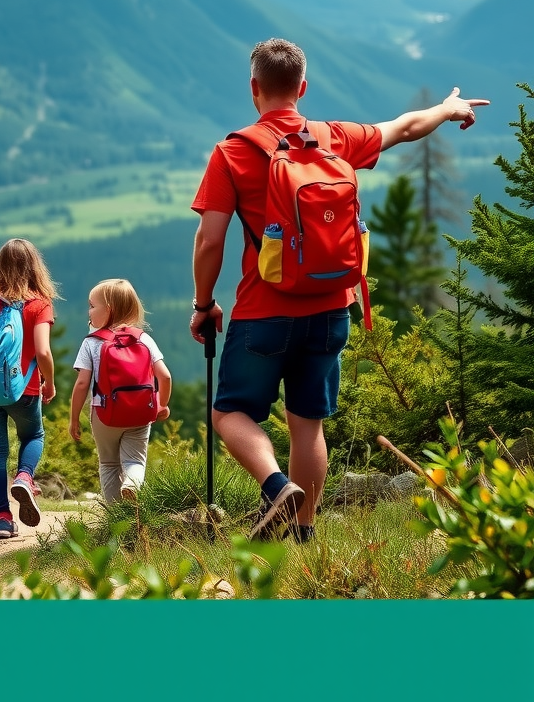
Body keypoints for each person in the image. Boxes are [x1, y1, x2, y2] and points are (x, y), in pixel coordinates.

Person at [189, 38, 489, 542]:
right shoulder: (333, 138)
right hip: (332, 307)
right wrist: (446, 108)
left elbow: (209, 240)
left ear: (254, 89)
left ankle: (276, 486)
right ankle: (304, 535)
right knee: (308, 423)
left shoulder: (233, 152)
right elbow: (403, 127)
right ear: (302, 88)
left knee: (230, 412)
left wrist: (203, 304)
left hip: (264, 309)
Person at [0, 238, 58, 539]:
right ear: (35, 267)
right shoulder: (39, 304)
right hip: (24, 389)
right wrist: (49, 381)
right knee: (33, 435)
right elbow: (42, 351)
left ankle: (2, 519)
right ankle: (25, 477)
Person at [69, 279, 173, 503]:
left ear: (109, 309)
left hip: (104, 414)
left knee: (108, 464)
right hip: (140, 414)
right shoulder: (143, 338)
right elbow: (165, 376)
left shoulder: (91, 342)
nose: (89, 311)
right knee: (134, 462)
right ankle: (132, 484)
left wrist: (74, 418)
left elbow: (81, 384)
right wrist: (161, 405)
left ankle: (116, 518)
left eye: (92, 305)